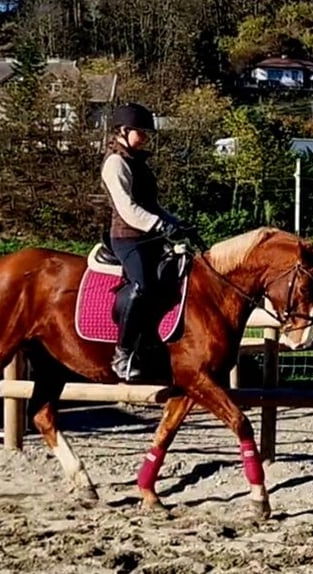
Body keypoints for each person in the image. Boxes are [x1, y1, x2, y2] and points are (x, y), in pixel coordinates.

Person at [100, 102, 190, 380]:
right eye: (141, 132)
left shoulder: (137, 162)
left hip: (149, 235)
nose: (146, 137)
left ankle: (153, 344)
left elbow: (152, 205)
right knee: (142, 286)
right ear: (123, 131)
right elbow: (127, 208)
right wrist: (159, 224)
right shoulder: (115, 163)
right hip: (127, 238)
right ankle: (123, 354)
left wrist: (176, 222)